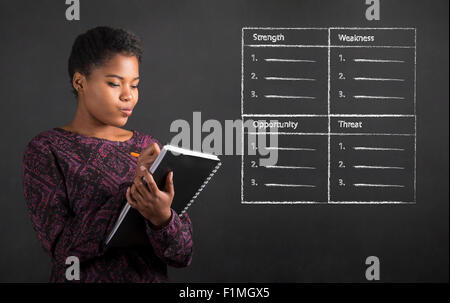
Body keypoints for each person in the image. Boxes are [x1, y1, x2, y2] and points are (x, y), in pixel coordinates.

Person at [21, 26, 193, 282]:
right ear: (80, 82)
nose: (128, 96)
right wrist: (130, 195)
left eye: (134, 85)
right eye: (114, 83)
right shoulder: (48, 149)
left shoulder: (148, 147)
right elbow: (62, 251)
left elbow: (182, 255)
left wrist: (162, 219)